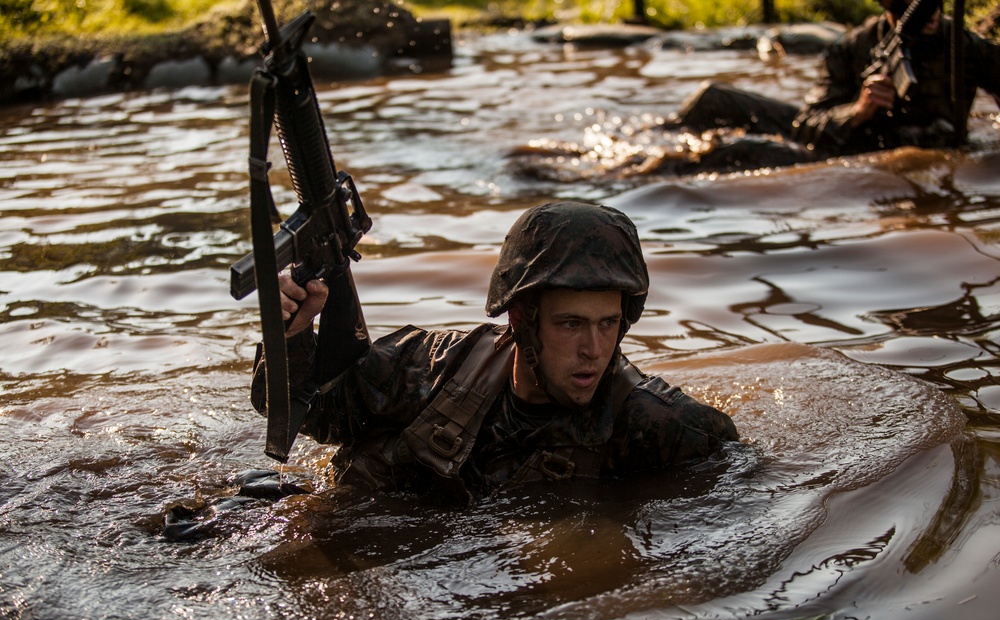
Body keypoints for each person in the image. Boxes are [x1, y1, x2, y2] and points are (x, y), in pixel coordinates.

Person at [251, 201, 739, 504]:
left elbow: (748, 486)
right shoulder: (435, 366)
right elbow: (310, 415)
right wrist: (291, 334)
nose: (593, 349)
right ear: (520, 319)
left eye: (608, 323)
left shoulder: (657, 427)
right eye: (571, 324)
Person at [661, 0, 1000, 171]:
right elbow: (808, 123)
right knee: (715, 104)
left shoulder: (963, 45)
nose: (929, 16)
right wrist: (859, 110)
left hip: (932, 151)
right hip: (850, 148)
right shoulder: (853, 48)